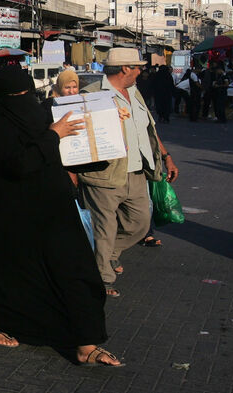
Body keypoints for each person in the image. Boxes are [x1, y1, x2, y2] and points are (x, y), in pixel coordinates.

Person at [0, 66, 121, 366]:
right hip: (10, 210)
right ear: (2, 98)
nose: (24, 100)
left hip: (54, 207)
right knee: (12, 270)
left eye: (27, 93)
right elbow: (20, 164)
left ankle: (87, 343)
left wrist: (107, 127)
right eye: (17, 95)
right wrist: (51, 136)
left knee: (76, 268)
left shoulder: (43, 117)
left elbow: (73, 153)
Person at [75, 48, 178, 297]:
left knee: (140, 224)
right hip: (104, 174)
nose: (141, 70)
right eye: (137, 67)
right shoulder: (92, 95)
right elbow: (78, 137)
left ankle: (106, 255)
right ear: (125, 69)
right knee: (104, 228)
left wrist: (166, 156)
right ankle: (103, 279)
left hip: (136, 172)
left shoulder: (134, 92)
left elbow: (149, 129)